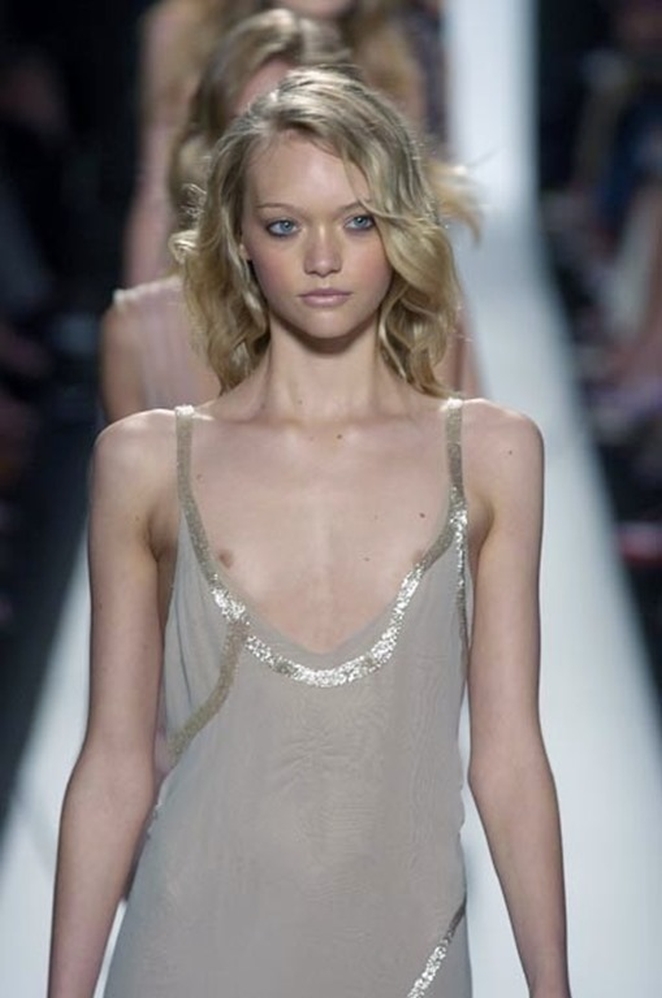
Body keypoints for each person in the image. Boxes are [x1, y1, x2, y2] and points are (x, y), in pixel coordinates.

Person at [48, 69, 571, 997]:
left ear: (402, 229)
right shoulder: (144, 462)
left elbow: (509, 758)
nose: (323, 257)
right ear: (240, 241)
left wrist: (552, 987)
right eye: (286, 225)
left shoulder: (492, 453)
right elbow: (115, 763)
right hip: (186, 953)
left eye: (358, 221)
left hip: (409, 960)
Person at [101, 7, 477, 422]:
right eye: (253, 127)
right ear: (213, 153)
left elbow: (474, 450)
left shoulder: (425, 324)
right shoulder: (143, 336)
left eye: (309, 125)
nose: (286, 154)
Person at [122, 0, 430, 285]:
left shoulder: (390, 51)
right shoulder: (185, 31)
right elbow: (158, 197)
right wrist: (146, 305)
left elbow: (412, 209)